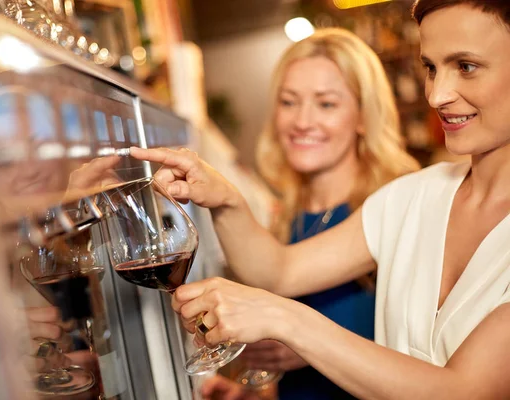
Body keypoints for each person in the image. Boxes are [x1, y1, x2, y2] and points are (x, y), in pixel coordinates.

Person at [129, 0, 510, 398]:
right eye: (431, 68)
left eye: (466, 66)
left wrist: (286, 319)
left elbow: (465, 391)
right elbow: (280, 271)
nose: (437, 95)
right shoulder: (415, 195)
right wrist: (225, 198)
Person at [204, 27, 418, 399]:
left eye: (326, 104)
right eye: (289, 102)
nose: (302, 121)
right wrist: (250, 394)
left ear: (364, 116)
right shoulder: (285, 215)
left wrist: (308, 346)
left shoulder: (397, 204)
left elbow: (426, 351)